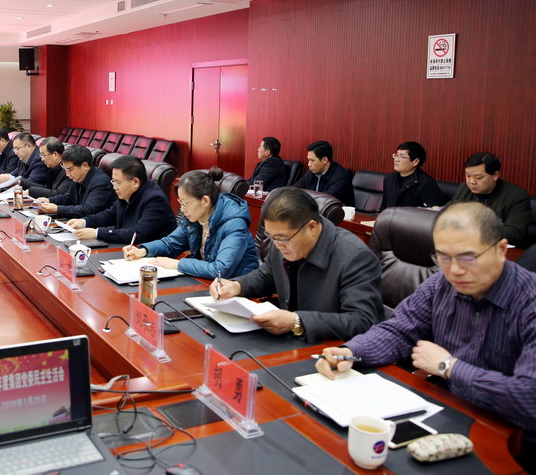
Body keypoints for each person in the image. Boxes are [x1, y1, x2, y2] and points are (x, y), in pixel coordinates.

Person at [316, 202, 536, 470]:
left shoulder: (530, 302)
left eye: (468, 257)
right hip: (452, 416)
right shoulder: (441, 285)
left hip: (516, 442)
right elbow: (399, 330)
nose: (454, 270)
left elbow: (529, 398)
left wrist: (449, 366)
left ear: (501, 250)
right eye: (443, 257)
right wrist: (351, 351)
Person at [209, 186, 383, 342]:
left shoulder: (354, 256)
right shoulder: (282, 238)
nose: (277, 245)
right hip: (289, 342)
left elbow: (363, 320)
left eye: (282, 239)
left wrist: (297, 321)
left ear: (311, 227)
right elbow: (267, 275)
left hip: (331, 349)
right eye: (271, 237)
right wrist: (237, 286)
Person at [124, 167, 258, 280]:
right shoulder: (194, 219)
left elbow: (220, 269)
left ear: (205, 201)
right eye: (180, 203)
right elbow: (170, 244)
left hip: (237, 290)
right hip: (207, 283)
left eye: (185, 203)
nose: (182, 210)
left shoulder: (234, 223)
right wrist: (143, 251)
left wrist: (178, 264)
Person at [67, 155, 176, 244]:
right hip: (129, 249)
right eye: (113, 181)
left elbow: (137, 234)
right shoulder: (127, 192)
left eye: (118, 182)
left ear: (135, 182)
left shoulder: (155, 199)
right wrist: (84, 222)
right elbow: (109, 215)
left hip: (152, 256)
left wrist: (97, 233)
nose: (114, 187)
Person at [450, 152, 531, 247]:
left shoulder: (516, 196)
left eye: (478, 177)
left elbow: (514, 232)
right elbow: (448, 211)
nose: (471, 182)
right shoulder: (465, 188)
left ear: (495, 175)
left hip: (500, 249)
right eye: (468, 175)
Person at [36, 146, 116, 218]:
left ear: (85, 166)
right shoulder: (79, 176)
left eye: (70, 169)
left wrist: (57, 209)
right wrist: (49, 200)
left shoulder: (101, 182)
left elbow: (88, 210)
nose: (67, 174)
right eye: (65, 169)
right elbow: (69, 197)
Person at [380, 141, 444, 210]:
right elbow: (384, 207)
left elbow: (431, 213)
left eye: (402, 156)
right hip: (389, 216)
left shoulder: (426, 184)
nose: (396, 160)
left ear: (415, 162)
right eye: (396, 155)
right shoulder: (389, 179)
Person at [293, 140, 355, 206]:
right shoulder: (311, 172)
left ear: (325, 160)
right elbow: (295, 189)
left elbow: (326, 201)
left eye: (312, 160)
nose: (309, 164)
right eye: (308, 160)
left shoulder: (341, 177)